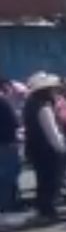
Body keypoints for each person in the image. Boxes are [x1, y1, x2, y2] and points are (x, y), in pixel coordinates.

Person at [22, 73, 66, 220]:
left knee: (43, 179)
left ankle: (44, 208)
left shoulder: (30, 104)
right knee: (51, 180)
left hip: (36, 148)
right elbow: (51, 130)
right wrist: (61, 147)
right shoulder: (43, 107)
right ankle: (48, 209)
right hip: (47, 149)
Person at [0, 83, 20, 213]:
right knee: (9, 174)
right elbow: (14, 122)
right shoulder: (4, 102)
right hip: (7, 142)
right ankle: (7, 204)